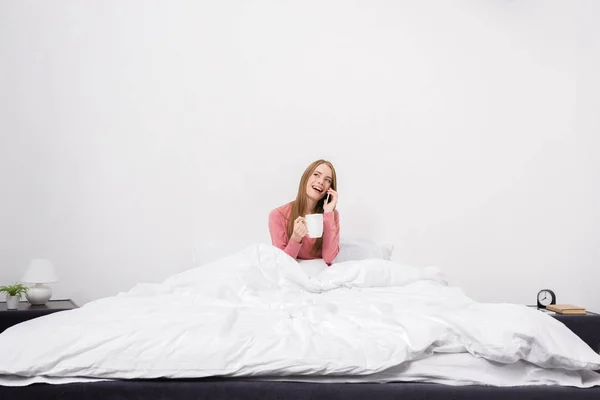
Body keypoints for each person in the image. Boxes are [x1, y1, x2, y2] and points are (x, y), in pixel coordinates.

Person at [268, 159, 340, 265]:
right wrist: (295, 238)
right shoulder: (277, 215)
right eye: (316, 174)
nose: (321, 181)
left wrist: (328, 213)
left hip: (321, 276)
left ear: (330, 189)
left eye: (327, 180)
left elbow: (329, 258)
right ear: (306, 177)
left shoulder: (332, 215)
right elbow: (282, 264)